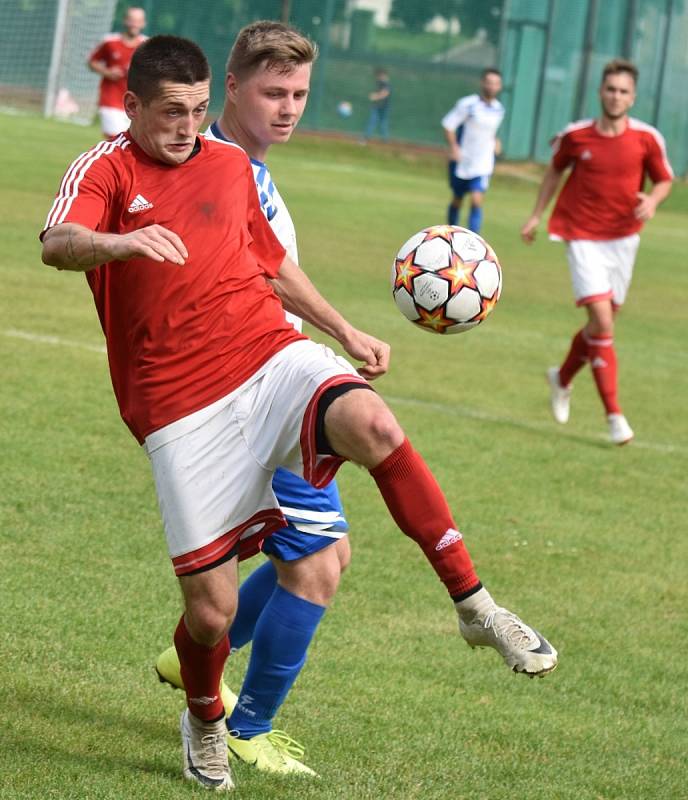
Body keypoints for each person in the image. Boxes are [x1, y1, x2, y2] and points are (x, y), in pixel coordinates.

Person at [41, 35, 557, 793]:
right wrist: (120, 242)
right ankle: (205, 719)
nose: (186, 129)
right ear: (133, 106)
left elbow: (270, 263)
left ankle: (477, 607)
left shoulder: (228, 166)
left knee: (373, 428)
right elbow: (58, 242)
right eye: (170, 114)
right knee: (212, 614)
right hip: (180, 406)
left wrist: (343, 331)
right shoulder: (108, 168)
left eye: (194, 112)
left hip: (267, 356)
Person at [153, 20, 351, 777]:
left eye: (299, 92)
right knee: (318, 565)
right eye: (273, 91)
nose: (289, 106)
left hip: (263, 390)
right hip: (250, 396)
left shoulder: (245, 168)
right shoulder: (223, 169)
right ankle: (248, 727)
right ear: (229, 88)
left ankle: (193, 659)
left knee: (323, 551)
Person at [520, 59, 673, 445]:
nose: (616, 96)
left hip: (624, 239)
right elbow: (554, 171)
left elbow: (664, 179)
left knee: (598, 328)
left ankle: (562, 377)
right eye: (610, 89)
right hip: (582, 234)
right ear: (600, 92)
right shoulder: (577, 136)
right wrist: (536, 215)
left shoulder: (647, 138)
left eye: (623, 91)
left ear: (633, 97)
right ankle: (614, 416)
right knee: (603, 323)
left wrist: (652, 201)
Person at [441, 68, 504, 234]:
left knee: (477, 200)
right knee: (457, 199)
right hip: (463, 160)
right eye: (489, 82)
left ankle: (472, 240)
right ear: (483, 83)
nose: (492, 86)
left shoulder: (499, 109)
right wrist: (454, 147)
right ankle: (451, 233)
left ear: (500, 86)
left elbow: (489, 132)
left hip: (483, 162)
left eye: (496, 83)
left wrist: (496, 141)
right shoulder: (468, 104)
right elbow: (449, 126)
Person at [88, 6, 147, 137]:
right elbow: (92, 62)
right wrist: (107, 72)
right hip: (111, 99)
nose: (134, 24)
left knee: (134, 142)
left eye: (138, 21)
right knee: (116, 138)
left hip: (136, 101)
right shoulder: (110, 41)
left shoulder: (146, 45)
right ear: (125, 21)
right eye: (132, 20)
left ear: (143, 23)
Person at [363, 67, 391, 142]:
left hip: (383, 107)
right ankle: (367, 137)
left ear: (382, 75)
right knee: (373, 121)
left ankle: (385, 139)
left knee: (382, 122)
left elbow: (385, 94)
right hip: (377, 106)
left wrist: (375, 97)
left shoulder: (385, 84)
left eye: (378, 76)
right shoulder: (380, 83)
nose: (377, 77)